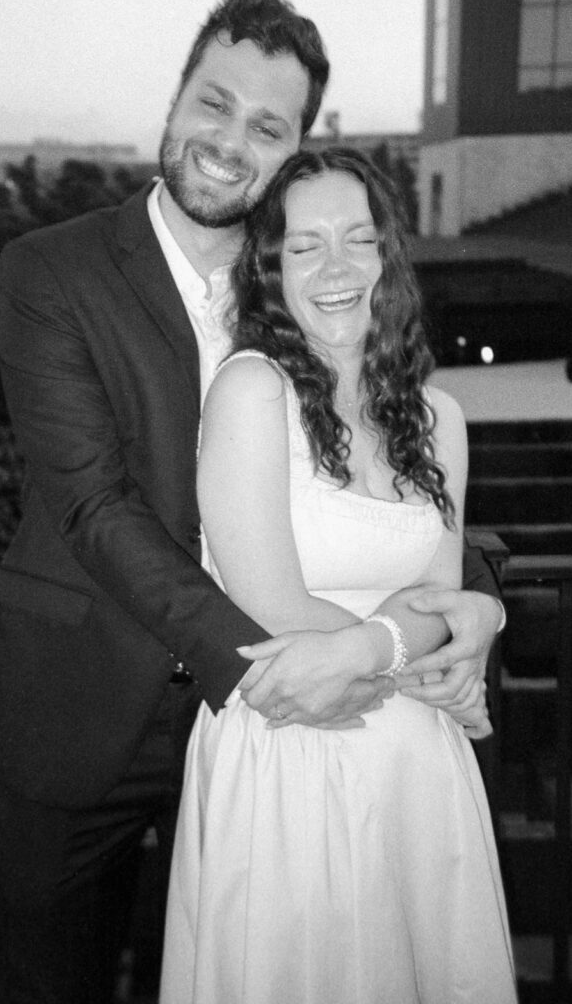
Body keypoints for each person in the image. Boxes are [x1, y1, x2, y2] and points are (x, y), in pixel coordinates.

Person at [0, 0, 504, 1003]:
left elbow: (388, 484)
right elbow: (94, 504)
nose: (227, 140)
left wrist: (473, 601)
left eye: (266, 125)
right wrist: (361, 652)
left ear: (293, 146)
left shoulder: (306, 290)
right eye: (214, 102)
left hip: (288, 732)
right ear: (175, 99)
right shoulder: (52, 268)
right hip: (90, 711)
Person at [159, 147, 517, 1004]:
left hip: (417, 763)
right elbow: (269, 601)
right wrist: (415, 636)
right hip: (294, 744)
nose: (336, 266)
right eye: (305, 244)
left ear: (387, 258)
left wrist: (456, 620)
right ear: (269, 265)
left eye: (358, 239)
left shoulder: (441, 419)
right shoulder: (250, 390)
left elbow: (440, 592)